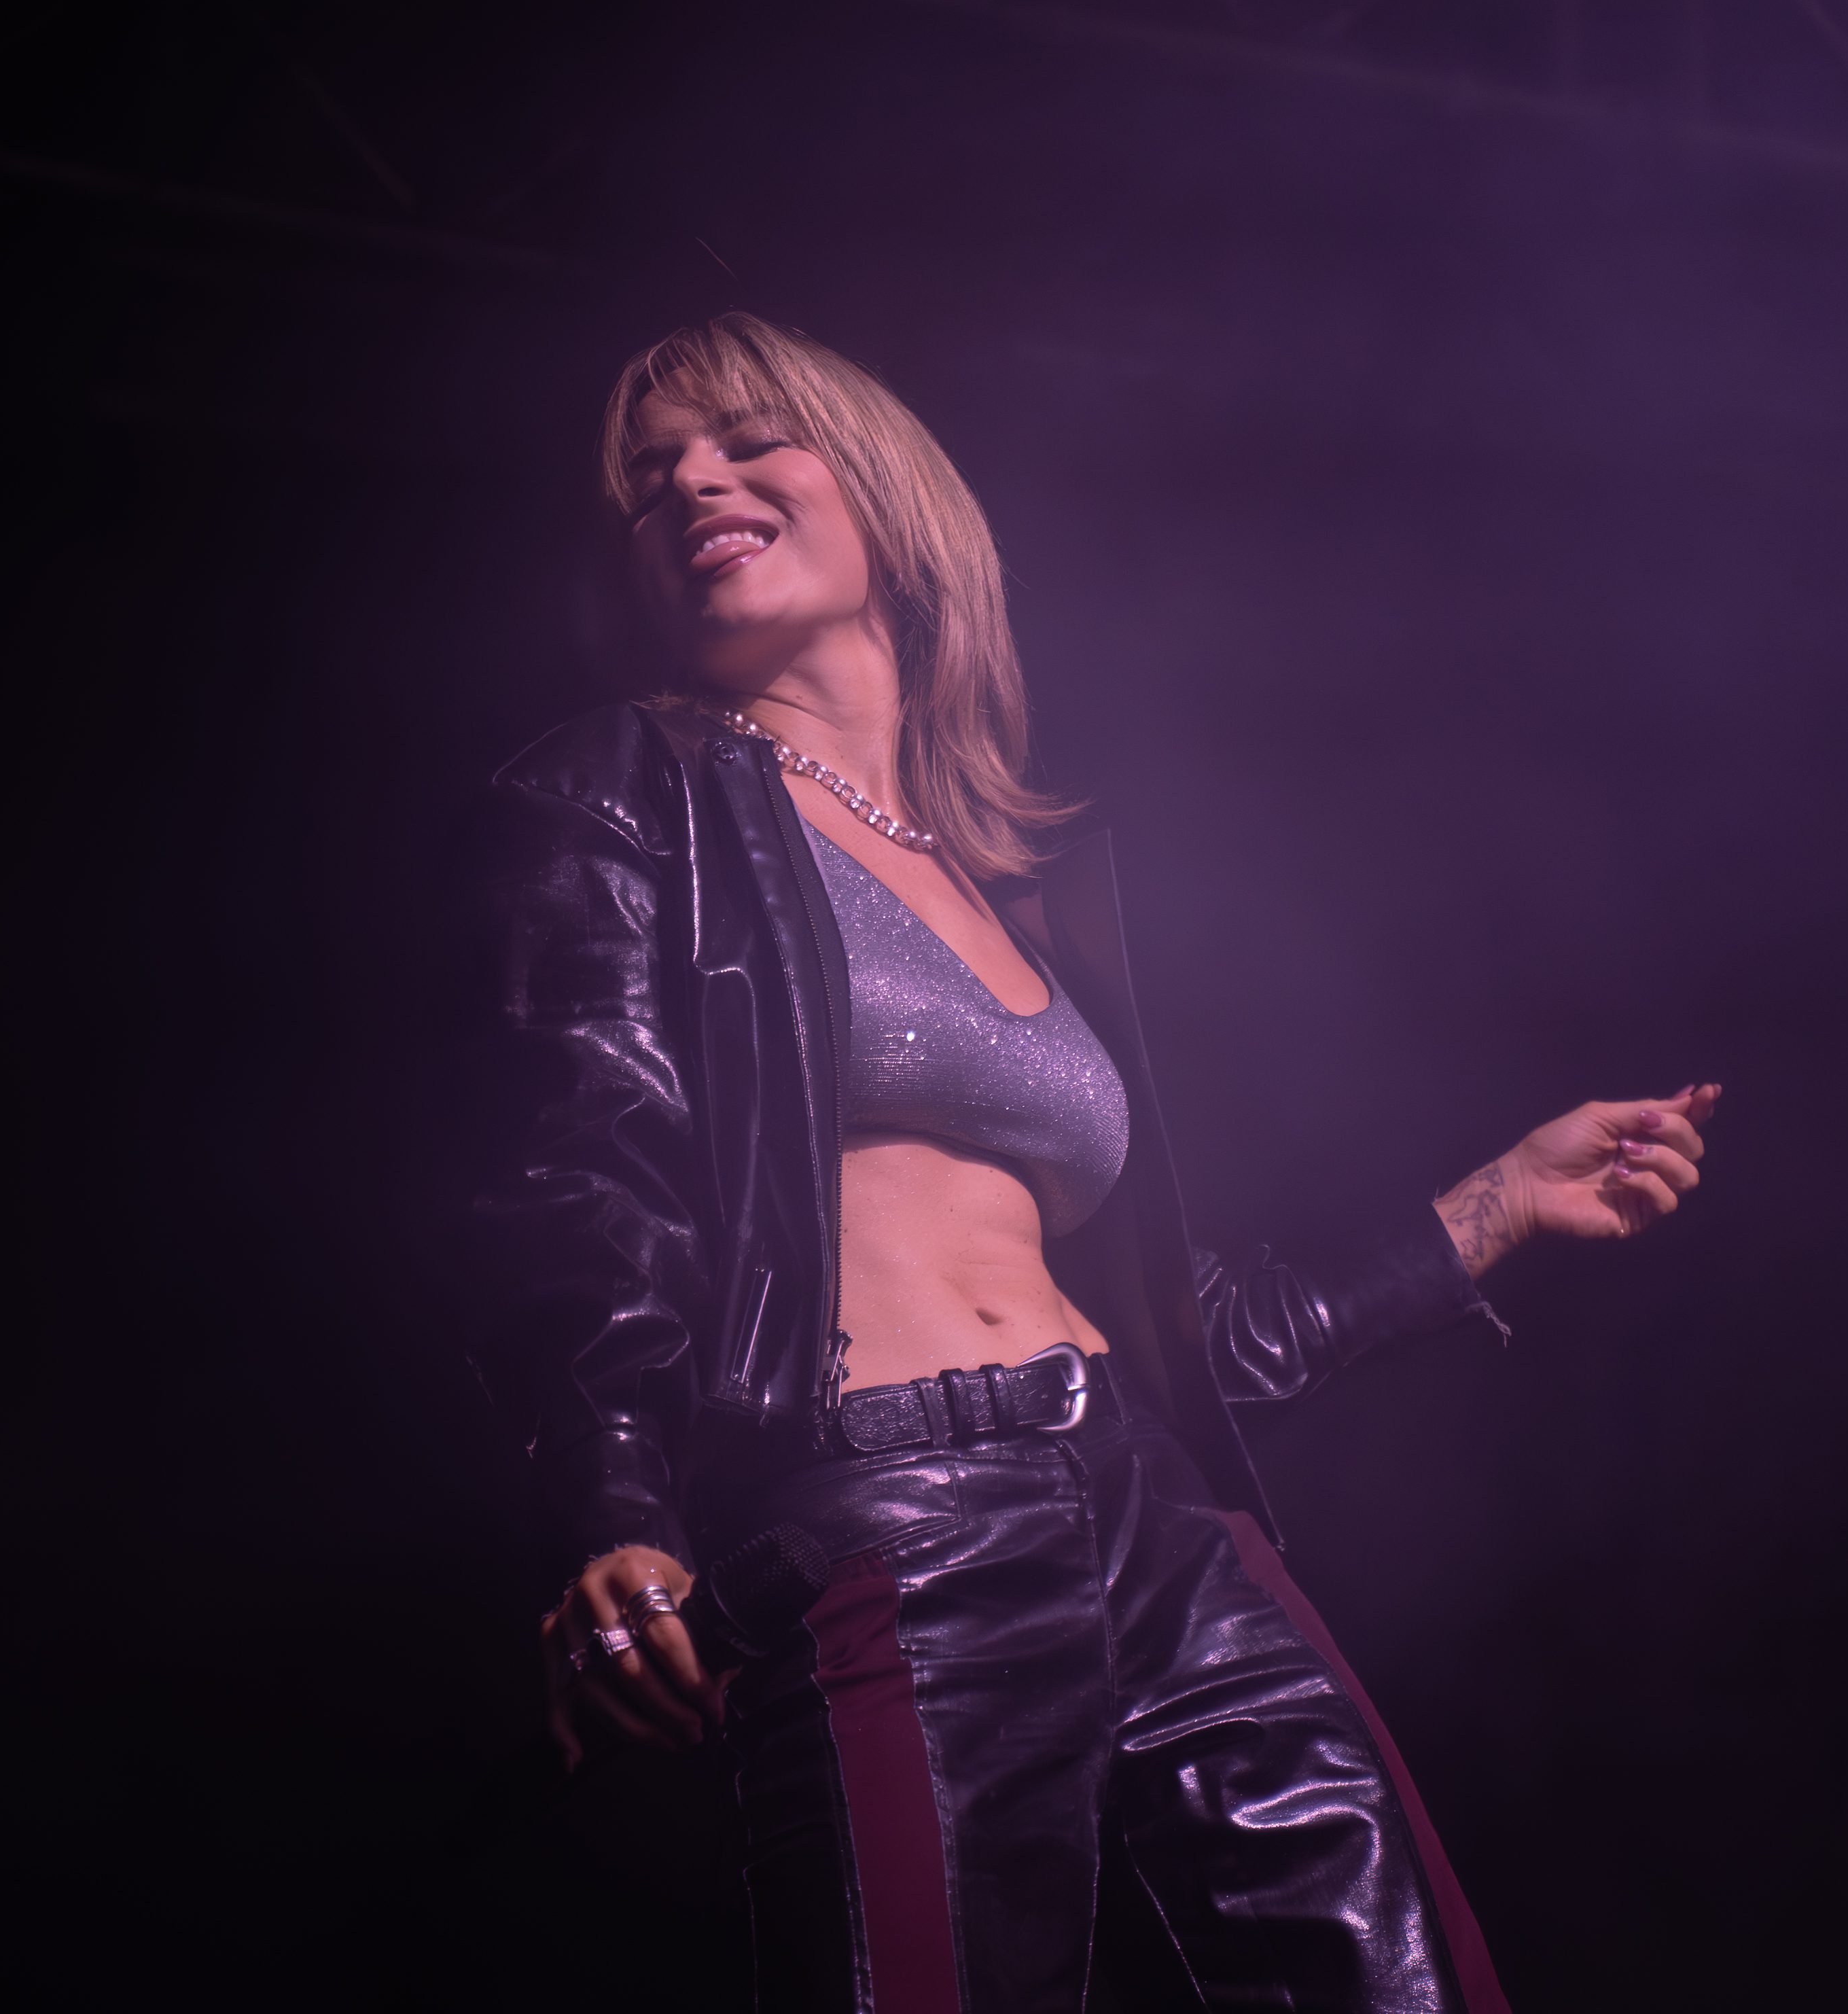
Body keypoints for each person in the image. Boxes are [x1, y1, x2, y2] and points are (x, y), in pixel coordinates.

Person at [476, 312, 1720, 2013]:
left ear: (886, 493)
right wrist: (609, 1500)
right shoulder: (633, 791)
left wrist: (1494, 1203)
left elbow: (1181, 1322)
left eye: (749, 438)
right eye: (647, 479)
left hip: (1152, 1509)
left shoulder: (1013, 888)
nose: (692, 477)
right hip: (891, 1507)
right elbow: (583, 1162)